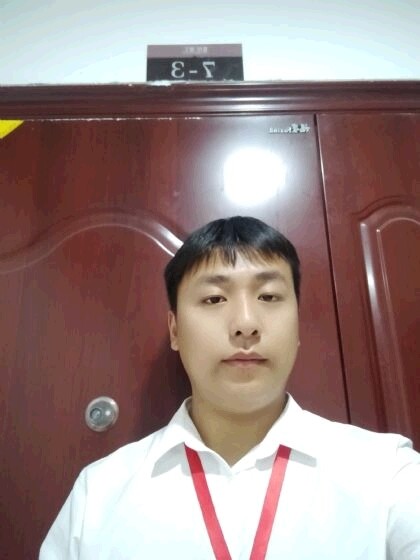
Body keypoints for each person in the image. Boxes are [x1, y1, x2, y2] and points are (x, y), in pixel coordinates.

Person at [40, 216, 420, 559]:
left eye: (268, 296)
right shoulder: (98, 494)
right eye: (214, 298)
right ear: (175, 330)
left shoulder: (387, 474)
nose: (245, 324)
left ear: (297, 325)